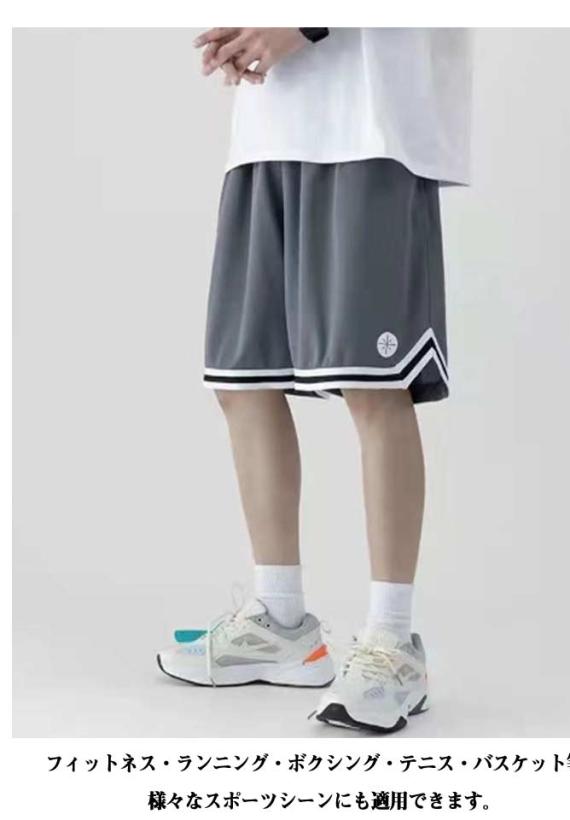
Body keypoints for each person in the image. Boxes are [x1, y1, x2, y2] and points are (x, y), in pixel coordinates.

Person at [157, 27, 472, 733]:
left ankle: (393, 643)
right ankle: (280, 621)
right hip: (266, 131)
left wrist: (304, 24)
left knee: (375, 384)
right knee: (243, 379)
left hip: (369, 126)